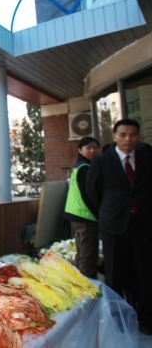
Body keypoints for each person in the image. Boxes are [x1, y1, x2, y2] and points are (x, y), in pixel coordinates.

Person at [87, 119, 152, 335]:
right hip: (114, 226)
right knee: (115, 273)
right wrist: (108, 213)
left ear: (138, 137)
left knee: (145, 273)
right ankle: (117, 319)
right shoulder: (102, 161)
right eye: (123, 134)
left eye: (133, 134)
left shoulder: (146, 158)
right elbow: (92, 191)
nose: (128, 139)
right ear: (114, 136)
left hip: (143, 224)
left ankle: (146, 318)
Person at [63, 136, 100, 279]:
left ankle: (77, 282)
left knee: (81, 253)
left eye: (95, 147)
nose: (92, 151)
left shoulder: (78, 166)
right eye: (88, 148)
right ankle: (88, 291)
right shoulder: (85, 167)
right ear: (80, 150)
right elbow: (88, 194)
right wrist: (99, 214)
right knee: (88, 257)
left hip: (76, 213)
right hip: (85, 215)